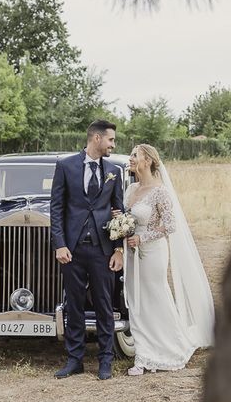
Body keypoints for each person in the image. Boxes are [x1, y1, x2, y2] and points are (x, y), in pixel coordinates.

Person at [123, 144, 214, 375]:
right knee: (136, 300)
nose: (131, 158)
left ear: (148, 161)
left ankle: (168, 347)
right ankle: (143, 354)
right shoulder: (131, 188)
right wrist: (120, 220)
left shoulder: (160, 191)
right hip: (132, 253)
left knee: (156, 296)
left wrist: (143, 238)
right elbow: (128, 217)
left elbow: (170, 226)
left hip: (153, 252)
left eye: (135, 155)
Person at [50, 120, 124, 380]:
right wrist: (59, 244)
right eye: (111, 140)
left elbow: (119, 213)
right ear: (96, 138)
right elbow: (56, 209)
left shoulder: (115, 170)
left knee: (104, 305)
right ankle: (75, 360)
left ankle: (105, 360)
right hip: (72, 250)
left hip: (102, 250)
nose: (113, 144)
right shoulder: (65, 165)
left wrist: (118, 250)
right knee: (74, 306)